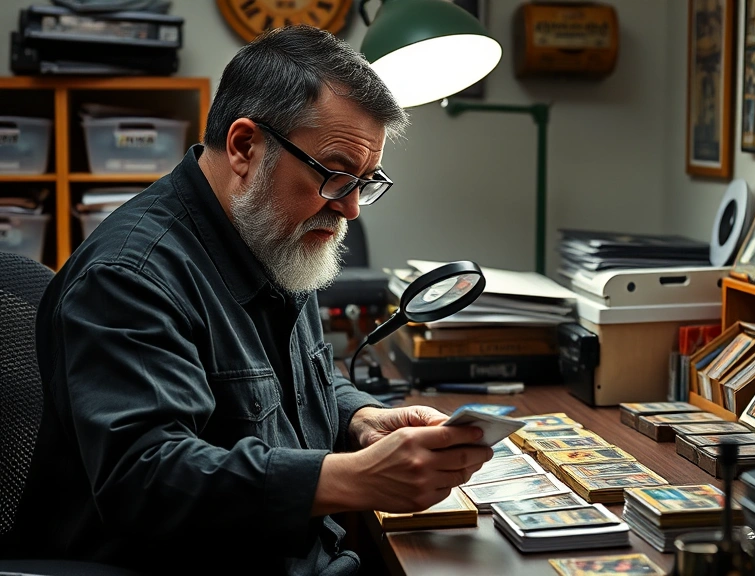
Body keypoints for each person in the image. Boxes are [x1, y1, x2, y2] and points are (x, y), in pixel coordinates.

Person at [12, 26, 493, 576]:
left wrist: (361, 419)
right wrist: (352, 477)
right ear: (245, 147)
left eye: (366, 181)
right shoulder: (129, 277)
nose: (352, 208)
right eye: (337, 174)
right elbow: (146, 477)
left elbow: (293, 384)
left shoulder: (271, 235)